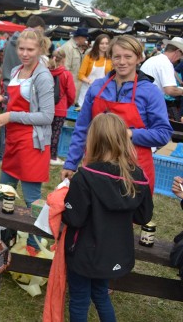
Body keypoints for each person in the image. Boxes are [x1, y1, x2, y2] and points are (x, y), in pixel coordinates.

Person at [62, 113, 153, 322]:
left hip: (84, 253)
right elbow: (144, 215)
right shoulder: (137, 176)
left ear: (93, 140)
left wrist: (63, 203)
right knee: (101, 295)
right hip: (114, 252)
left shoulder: (85, 176)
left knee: (79, 299)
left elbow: (74, 218)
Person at [62, 35, 172, 193]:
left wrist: (129, 133)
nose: (122, 62)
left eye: (128, 56)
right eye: (117, 57)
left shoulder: (150, 92)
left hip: (134, 170)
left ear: (139, 58)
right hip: (96, 166)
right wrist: (71, 163)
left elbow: (163, 134)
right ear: (110, 58)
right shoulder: (97, 88)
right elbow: (82, 129)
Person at [0, 28, 54, 255]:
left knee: (31, 198)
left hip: (31, 144)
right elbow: (18, 100)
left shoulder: (42, 76)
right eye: (22, 49)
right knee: (4, 190)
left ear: (40, 49)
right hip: (13, 141)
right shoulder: (16, 70)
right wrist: (1, 99)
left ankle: (36, 247)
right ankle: (0, 237)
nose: (25, 53)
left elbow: (46, 116)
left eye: (30, 50)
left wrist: (10, 116)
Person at [0, 15, 46, 163]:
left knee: (8, 120)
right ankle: (5, 155)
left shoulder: (12, 42)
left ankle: (4, 155)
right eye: (39, 33)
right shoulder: (21, 51)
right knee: (8, 120)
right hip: (16, 84)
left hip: (11, 83)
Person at [139, 36, 183, 120]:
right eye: (181, 55)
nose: (180, 58)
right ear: (177, 52)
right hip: (151, 106)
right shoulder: (166, 63)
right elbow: (170, 90)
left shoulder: (153, 59)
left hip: (142, 103)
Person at [48, 49, 76, 165]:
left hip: (46, 107)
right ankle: (52, 156)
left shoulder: (47, 72)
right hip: (60, 108)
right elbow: (71, 94)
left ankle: (42, 153)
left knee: (45, 132)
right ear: (64, 59)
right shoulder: (66, 74)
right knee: (55, 133)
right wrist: (66, 104)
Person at [76, 33, 112, 107]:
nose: (104, 46)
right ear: (97, 44)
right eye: (102, 43)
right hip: (87, 89)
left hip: (103, 91)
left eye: (106, 43)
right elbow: (80, 75)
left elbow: (112, 76)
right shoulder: (89, 57)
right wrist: (89, 82)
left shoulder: (110, 59)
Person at [63, 27, 89, 100]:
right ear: (80, 37)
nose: (86, 40)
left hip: (76, 87)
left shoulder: (77, 47)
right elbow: (65, 69)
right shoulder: (68, 47)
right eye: (85, 38)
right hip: (70, 87)